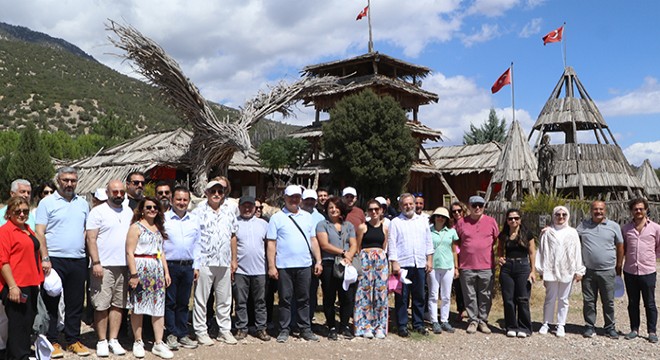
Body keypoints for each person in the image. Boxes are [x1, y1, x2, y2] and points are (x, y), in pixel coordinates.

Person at [35, 167, 91, 357]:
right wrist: (45, 257)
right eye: (65, 180)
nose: (69, 184)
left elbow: (86, 229)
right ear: (58, 180)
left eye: (73, 180)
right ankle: (53, 341)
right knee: (52, 302)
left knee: (75, 302)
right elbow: (40, 232)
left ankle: (73, 339)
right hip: (54, 260)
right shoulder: (47, 203)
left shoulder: (83, 203)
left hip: (77, 259)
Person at [266, 185, 323, 343]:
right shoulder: (277, 218)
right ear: (284, 198)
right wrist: (272, 266)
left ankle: (305, 328)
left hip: (304, 264)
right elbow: (271, 243)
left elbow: (313, 240)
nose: (294, 199)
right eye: (291, 197)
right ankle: (284, 329)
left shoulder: (307, 217)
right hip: (284, 265)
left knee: (304, 298)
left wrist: (318, 260)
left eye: (297, 197)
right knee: (285, 298)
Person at [85, 180, 133, 356]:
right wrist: (96, 262)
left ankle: (113, 339)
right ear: (108, 192)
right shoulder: (98, 212)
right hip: (103, 265)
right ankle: (101, 340)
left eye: (121, 192)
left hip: (123, 265)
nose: (118, 195)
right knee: (101, 305)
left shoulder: (128, 212)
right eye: (115, 192)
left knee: (118, 304)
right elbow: (91, 239)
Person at [191, 177, 238, 346]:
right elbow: (194, 239)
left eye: (220, 191)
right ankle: (201, 331)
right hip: (205, 261)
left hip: (224, 261)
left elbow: (233, 236)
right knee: (201, 299)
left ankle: (224, 330)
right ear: (206, 193)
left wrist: (234, 259)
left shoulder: (229, 211)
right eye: (213, 191)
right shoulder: (197, 212)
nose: (217, 194)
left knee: (225, 298)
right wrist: (195, 263)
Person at [126, 197, 172, 359]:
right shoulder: (135, 227)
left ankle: (158, 342)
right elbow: (129, 252)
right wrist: (134, 274)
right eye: (149, 207)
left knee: (158, 305)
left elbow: (161, 251)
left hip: (156, 268)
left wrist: (166, 272)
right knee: (138, 306)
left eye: (155, 207)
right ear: (142, 209)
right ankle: (138, 341)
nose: (152, 210)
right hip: (140, 268)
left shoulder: (158, 228)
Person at [0, 197, 44, 360]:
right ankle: (20, 356)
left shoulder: (27, 229)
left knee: (27, 322)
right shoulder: (5, 232)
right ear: (9, 212)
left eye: (25, 211)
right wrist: (12, 286)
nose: (22, 214)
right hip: (16, 284)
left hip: (31, 282)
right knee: (18, 324)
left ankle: (17, 354)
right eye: (17, 211)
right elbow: (2, 261)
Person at [388, 193, 433, 337]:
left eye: (410, 204)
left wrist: (429, 259)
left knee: (419, 295)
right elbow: (392, 243)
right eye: (405, 204)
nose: (408, 206)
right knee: (402, 296)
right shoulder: (395, 222)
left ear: (414, 204)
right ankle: (402, 325)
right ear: (400, 206)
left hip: (419, 263)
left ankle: (418, 324)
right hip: (402, 264)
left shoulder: (423, 220)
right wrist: (394, 262)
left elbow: (428, 241)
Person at [577, 200, 624, 339]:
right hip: (589, 271)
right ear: (591, 210)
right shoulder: (583, 226)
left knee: (608, 301)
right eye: (595, 209)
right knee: (589, 301)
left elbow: (620, 246)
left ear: (605, 210)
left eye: (601, 209)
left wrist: (619, 266)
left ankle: (610, 327)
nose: (598, 212)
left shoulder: (613, 226)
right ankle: (590, 326)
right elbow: (570, 237)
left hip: (608, 270)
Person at [536, 206, 585, 337]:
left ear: (567, 216)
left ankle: (561, 324)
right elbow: (541, 250)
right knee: (550, 298)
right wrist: (540, 269)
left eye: (564, 214)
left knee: (564, 299)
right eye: (558, 214)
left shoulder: (572, 232)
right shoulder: (547, 232)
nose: (561, 217)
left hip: (567, 269)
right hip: (550, 269)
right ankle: (546, 323)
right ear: (554, 215)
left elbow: (577, 252)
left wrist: (579, 270)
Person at [454, 195, 499, 334]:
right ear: (469, 206)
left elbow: (497, 240)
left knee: (485, 295)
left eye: (480, 205)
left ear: (484, 206)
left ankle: (483, 321)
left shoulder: (491, 222)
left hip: (486, 266)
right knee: (469, 295)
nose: (477, 208)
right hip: (467, 266)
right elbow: (455, 242)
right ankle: (473, 321)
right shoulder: (461, 223)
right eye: (474, 205)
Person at [163, 186, 200, 350]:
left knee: (184, 302)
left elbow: (198, 244)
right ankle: (171, 334)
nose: (182, 202)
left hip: (188, 266)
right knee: (170, 302)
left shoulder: (194, 220)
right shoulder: (163, 219)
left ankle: (182, 333)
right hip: (170, 266)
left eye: (185, 200)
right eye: (178, 199)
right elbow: (160, 245)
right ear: (172, 200)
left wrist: (196, 266)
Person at [316, 196, 357, 340]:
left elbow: (353, 243)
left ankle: (344, 325)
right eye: (330, 207)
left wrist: (349, 256)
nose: (333, 210)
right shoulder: (322, 224)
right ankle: (331, 326)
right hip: (329, 263)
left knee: (347, 296)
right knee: (329, 296)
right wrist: (343, 252)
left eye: (336, 207)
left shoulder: (349, 225)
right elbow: (324, 244)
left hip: (346, 263)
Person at [232, 196, 271, 341]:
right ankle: (242, 328)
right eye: (244, 206)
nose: (247, 209)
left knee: (260, 301)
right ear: (239, 207)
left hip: (260, 269)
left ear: (255, 208)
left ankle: (261, 328)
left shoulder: (263, 224)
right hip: (240, 270)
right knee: (240, 301)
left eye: (250, 206)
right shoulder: (234, 223)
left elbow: (270, 245)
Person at [621, 198, 660, 343]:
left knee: (649, 303)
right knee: (632, 302)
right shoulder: (625, 229)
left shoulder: (655, 228)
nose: (638, 211)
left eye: (641, 209)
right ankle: (634, 329)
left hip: (648, 271)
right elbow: (622, 248)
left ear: (646, 210)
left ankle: (652, 331)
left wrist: (650, 258)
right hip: (630, 271)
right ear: (631, 211)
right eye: (635, 209)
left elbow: (658, 247)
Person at [496, 208, 536, 338]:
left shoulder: (527, 234)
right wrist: (500, 257)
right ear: (506, 221)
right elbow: (500, 249)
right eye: (510, 218)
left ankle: (524, 327)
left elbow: (532, 252)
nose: (513, 220)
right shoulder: (503, 235)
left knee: (523, 299)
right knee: (508, 299)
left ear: (520, 220)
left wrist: (533, 271)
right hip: (507, 268)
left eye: (516, 218)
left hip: (523, 267)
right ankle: (511, 326)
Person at [354, 199, 389, 339]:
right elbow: (358, 246)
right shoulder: (363, 227)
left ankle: (379, 326)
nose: (373, 212)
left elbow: (384, 246)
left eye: (376, 209)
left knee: (380, 294)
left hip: (380, 261)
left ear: (381, 210)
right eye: (370, 209)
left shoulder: (385, 227)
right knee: (364, 293)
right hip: (365, 260)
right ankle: (365, 325)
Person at [427, 207, 458, 334]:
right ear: (433, 217)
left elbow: (454, 250)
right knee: (433, 294)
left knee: (446, 295)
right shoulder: (428, 231)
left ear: (446, 219)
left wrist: (456, 267)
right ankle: (434, 321)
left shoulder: (451, 232)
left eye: (443, 217)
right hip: (433, 266)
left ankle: (444, 320)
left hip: (448, 266)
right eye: (438, 216)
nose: (440, 218)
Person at [450, 201, 468, 321]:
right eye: (454, 211)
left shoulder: (467, 223)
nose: (457, 213)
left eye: (459, 211)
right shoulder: (450, 225)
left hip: (466, 256)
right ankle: (461, 309)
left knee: (468, 284)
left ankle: (470, 309)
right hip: (453, 256)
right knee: (458, 285)